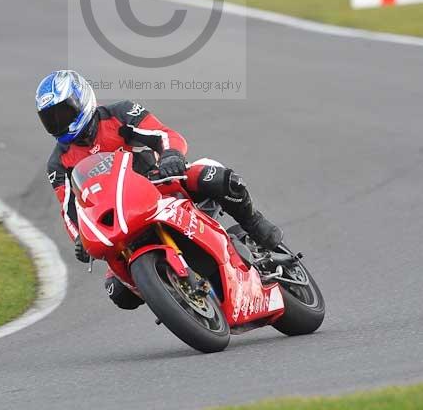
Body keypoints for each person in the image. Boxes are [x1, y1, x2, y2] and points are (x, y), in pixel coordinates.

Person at [38, 69, 283, 311]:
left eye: (64, 112)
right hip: (120, 217)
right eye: (51, 119)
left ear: (82, 99)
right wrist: (79, 237)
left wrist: (170, 155)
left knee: (218, 179)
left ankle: (254, 223)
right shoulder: (58, 163)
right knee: (119, 293)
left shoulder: (119, 113)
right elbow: (70, 209)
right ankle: (172, 293)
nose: (60, 123)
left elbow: (162, 134)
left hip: (161, 184)